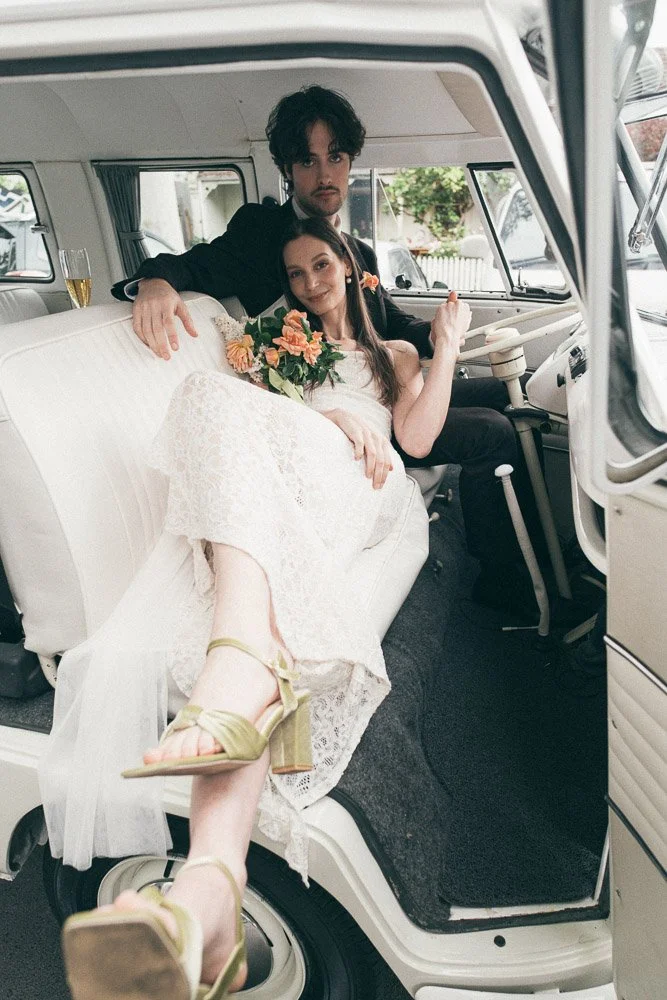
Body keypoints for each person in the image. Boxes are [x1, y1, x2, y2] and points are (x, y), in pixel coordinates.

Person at [43, 217, 472, 999]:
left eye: (322, 265)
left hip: (362, 484)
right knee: (216, 412)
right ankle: (206, 889)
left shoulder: (395, 354)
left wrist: (444, 348)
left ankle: (238, 663)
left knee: (208, 403)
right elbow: (247, 432)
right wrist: (323, 414)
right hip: (297, 471)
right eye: (295, 272)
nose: (310, 282)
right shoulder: (277, 342)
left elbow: (413, 437)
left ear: (350, 266)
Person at [111, 85, 543, 619]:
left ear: (351, 161)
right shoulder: (259, 231)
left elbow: (388, 323)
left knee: (511, 394)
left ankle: (540, 559)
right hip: (342, 416)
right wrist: (154, 279)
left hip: (379, 380)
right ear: (288, 169)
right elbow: (194, 264)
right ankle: (504, 584)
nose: (324, 175)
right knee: (493, 432)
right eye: (308, 161)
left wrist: (443, 331)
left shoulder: (355, 250)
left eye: (335, 157)